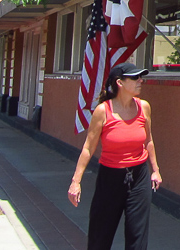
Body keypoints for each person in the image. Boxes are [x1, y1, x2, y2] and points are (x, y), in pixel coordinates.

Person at [68, 63, 161, 250]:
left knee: (137, 239)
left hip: (139, 178)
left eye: (140, 77)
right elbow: (88, 148)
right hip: (110, 179)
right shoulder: (103, 111)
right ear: (120, 83)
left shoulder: (144, 107)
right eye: (135, 78)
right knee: (100, 238)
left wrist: (155, 170)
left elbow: (148, 141)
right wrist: (75, 182)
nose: (140, 81)